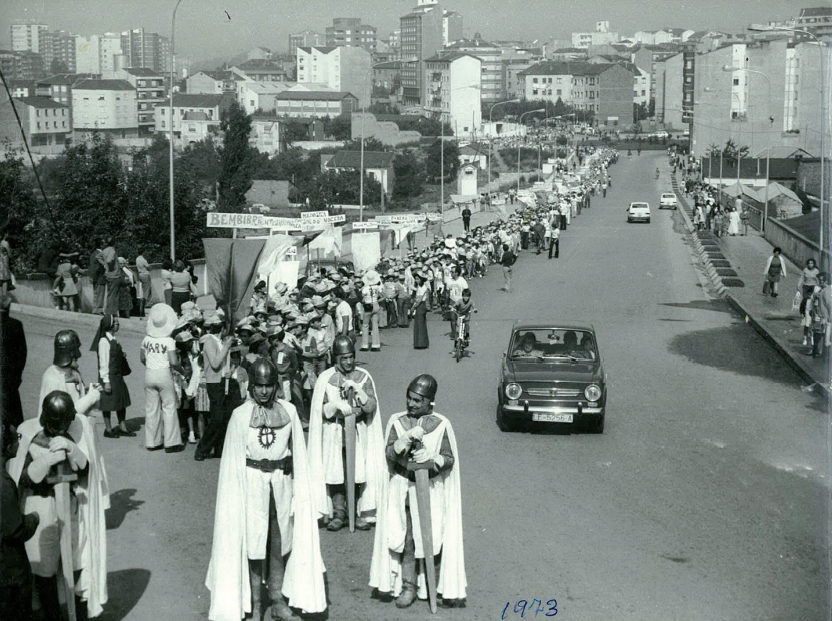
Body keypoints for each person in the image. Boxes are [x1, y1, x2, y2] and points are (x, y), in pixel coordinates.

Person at [205, 359, 326, 621]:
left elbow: (298, 453)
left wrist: (300, 490)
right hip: (251, 485)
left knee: (280, 541)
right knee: (253, 543)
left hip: (281, 484)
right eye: (259, 386)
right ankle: (256, 602)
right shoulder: (240, 415)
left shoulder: (289, 411)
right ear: (252, 386)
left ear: (275, 386)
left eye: (269, 386)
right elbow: (232, 460)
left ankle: (277, 598)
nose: (264, 391)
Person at [7, 389, 109, 620]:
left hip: (71, 505)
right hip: (40, 505)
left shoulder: (77, 430)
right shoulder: (27, 431)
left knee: (77, 562)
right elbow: (20, 477)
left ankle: (78, 614)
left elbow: (86, 472)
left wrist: (73, 449)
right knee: (44, 568)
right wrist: (45, 461)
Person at [369, 374, 466, 609]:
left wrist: (433, 459)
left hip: (430, 489)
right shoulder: (397, 421)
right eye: (409, 398)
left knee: (433, 537)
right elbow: (389, 455)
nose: (411, 404)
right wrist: (402, 441)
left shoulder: (441, 424)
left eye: (417, 400)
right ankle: (409, 586)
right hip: (403, 486)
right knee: (407, 538)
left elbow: (449, 458)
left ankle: (434, 586)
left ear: (429, 402)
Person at [308, 335, 386, 532]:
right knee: (336, 472)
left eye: (351, 357)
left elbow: (371, 407)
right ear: (336, 358)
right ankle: (339, 512)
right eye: (344, 358)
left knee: (358, 472)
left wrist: (361, 394)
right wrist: (334, 405)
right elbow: (319, 410)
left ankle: (355, 512)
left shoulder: (363, 376)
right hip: (334, 432)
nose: (349, 361)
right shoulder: (326, 378)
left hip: (358, 432)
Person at [1, 417, 40, 621]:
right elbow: (15, 530)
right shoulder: (4, 484)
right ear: (8, 448)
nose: (19, 441)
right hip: (10, 573)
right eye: (16, 438)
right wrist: (33, 519)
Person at [140, 304, 184, 453]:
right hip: (164, 373)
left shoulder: (146, 339)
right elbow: (174, 362)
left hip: (149, 373)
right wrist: (182, 371)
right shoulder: (168, 341)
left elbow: (142, 358)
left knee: (151, 408)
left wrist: (151, 364)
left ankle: (152, 442)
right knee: (169, 407)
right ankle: (171, 442)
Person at [194, 313, 237, 461]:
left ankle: (219, 449)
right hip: (215, 383)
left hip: (224, 381)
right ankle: (202, 449)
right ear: (222, 328)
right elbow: (215, 363)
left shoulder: (220, 342)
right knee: (217, 418)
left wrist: (230, 369)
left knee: (224, 418)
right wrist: (226, 347)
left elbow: (226, 362)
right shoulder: (210, 342)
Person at [92, 314, 134, 439]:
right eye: (115, 322)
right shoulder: (103, 342)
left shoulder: (114, 339)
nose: (118, 324)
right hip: (109, 377)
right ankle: (108, 429)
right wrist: (106, 381)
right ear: (109, 325)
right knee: (108, 403)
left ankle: (122, 427)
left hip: (117, 376)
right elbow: (103, 362)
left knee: (121, 401)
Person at [0, 294, 27, 427]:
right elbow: (21, 354)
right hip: (9, 379)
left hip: (8, 379)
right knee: (14, 421)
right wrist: (17, 377)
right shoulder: (15, 325)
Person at [360, 269, 383, 352]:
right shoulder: (377, 287)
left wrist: (364, 301)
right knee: (375, 325)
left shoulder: (365, 288)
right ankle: (375, 345)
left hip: (368, 306)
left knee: (365, 325)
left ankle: (365, 345)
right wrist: (377, 301)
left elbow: (362, 299)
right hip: (376, 305)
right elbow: (384, 296)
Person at [411, 272, 430, 350]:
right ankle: (421, 342)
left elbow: (420, 299)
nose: (416, 280)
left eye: (418, 279)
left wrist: (413, 307)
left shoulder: (423, 287)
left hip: (421, 305)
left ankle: (421, 343)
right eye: (415, 279)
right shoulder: (419, 287)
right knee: (419, 323)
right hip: (419, 304)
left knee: (420, 323)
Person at [135, 249, 152, 318]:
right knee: (146, 292)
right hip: (145, 274)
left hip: (140, 274)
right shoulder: (143, 260)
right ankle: (142, 309)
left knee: (142, 292)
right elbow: (149, 267)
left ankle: (141, 308)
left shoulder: (137, 259)